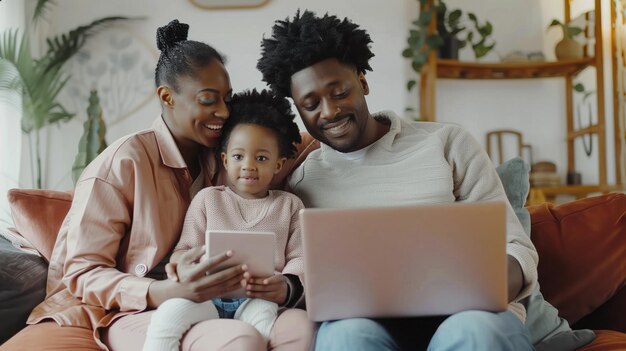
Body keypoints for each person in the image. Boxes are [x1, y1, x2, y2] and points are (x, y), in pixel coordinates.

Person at [1, 19, 314, 351]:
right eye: (209, 99)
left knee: (295, 332)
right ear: (167, 97)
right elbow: (81, 273)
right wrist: (163, 291)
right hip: (126, 309)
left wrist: (287, 284)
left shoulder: (226, 157)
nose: (223, 111)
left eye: (226, 98)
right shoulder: (123, 163)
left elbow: (280, 172)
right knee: (240, 339)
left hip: (218, 299)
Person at [257, 9, 538, 350]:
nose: (329, 111)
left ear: (362, 81)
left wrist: (479, 288)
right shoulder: (301, 179)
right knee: (345, 337)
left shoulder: (446, 143)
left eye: (339, 92)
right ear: (300, 112)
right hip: (364, 325)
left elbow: (515, 247)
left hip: (467, 316)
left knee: (474, 331)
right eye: (311, 103)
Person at [143, 89, 305, 351]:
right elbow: (183, 250)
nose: (249, 166)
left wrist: (285, 282)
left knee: (263, 323)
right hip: (206, 294)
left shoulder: (289, 205)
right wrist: (182, 263)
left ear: (278, 164)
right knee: (167, 316)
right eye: (239, 157)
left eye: (261, 158)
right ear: (225, 160)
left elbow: (299, 258)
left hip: (258, 297)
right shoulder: (208, 200)